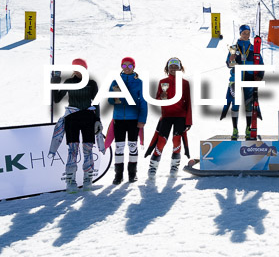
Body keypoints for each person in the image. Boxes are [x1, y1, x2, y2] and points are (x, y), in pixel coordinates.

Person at [50, 58, 103, 192]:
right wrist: (55, 81)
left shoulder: (91, 83)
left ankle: (87, 179)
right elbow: (56, 99)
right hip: (72, 117)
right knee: (73, 149)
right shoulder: (69, 82)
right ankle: (70, 180)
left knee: (88, 148)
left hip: (88, 117)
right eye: (76, 67)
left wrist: (98, 119)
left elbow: (96, 102)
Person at [146, 57, 192, 181]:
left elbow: (188, 102)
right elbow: (157, 100)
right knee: (161, 142)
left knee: (176, 141)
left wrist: (189, 121)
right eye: (171, 67)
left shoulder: (185, 83)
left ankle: (174, 167)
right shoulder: (163, 82)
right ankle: (153, 167)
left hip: (180, 117)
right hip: (166, 116)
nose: (173, 69)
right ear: (167, 68)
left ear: (179, 68)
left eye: (175, 67)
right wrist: (162, 97)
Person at [107, 56, 147, 184]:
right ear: (121, 67)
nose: (127, 68)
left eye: (130, 66)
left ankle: (132, 174)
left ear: (134, 67)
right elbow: (109, 99)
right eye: (124, 65)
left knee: (132, 146)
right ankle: (118, 175)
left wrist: (142, 119)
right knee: (119, 147)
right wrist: (115, 97)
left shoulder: (139, 82)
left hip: (133, 119)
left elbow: (144, 103)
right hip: (118, 118)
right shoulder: (115, 82)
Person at [226, 25, 264, 139]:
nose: (246, 35)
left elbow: (260, 63)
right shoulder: (233, 48)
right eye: (244, 33)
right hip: (235, 79)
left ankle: (248, 128)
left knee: (249, 104)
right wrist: (231, 59)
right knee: (235, 104)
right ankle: (235, 129)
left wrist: (260, 76)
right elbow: (228, 64)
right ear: (240, 34)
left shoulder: (253, 48)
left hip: (249, 78)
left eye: (248, 33)